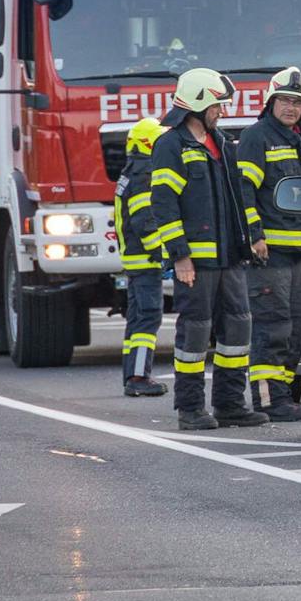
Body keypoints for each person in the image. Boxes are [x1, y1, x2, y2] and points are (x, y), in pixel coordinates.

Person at [150, 67, 269, 431]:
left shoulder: (221, 143)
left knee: (237, 330)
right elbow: (164, 204)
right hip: (197, 263)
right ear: (198, 104)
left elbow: (239, 199)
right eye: (217, 104)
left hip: (230, 257)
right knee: (196, 333)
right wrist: (180, 256)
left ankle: (230, 404)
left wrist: (254, 235)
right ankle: (190, 409)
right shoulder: (170, 145)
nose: (222, 111)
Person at [238, 67, 301, 422]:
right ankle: (268, 399)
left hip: (300, 251)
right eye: (285, 101)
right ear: (270, 102)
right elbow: (245, 191)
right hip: (270, 251)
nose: (291, 108)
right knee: (273, 325)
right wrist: (255, 236)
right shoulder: (257, 137)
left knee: (296, 325)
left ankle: (284, 395)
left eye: (298, 102)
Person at [114, 117, 168, 398]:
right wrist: (163, 252)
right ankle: (138, 377)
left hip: (133, 261)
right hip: (145, 260)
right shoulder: (144, 174)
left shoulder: (129, 173)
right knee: (148, 319)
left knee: (136, 321)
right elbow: (145, 222)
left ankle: (131, 374)